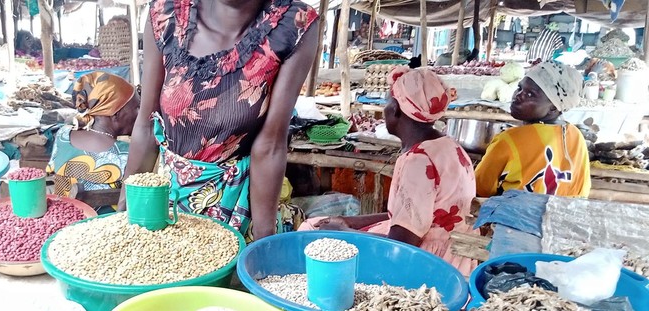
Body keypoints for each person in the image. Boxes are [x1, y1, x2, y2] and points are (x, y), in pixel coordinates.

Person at [118, 0, 319, 241]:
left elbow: (270, 144)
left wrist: (264, 240)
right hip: (164, 204)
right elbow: (147, 124)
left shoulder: (292, 25)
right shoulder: (166, 15)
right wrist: (125, 209)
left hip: (237, 210)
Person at [301, 68, 478, 276]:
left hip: (430, 262)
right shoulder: (448, 146)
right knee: (316, 224)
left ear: (396, 110)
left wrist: (345, 234)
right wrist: (350, 221)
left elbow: (400, 246)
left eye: (387, 103)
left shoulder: (419, 162)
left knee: (311, 235)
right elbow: (409, 216)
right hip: (451, 251)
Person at [475, 62, 590, 198]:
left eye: (530, 94)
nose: (518, 96)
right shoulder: (576, 135)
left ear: (554, 107)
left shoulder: (510, 139)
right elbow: (583, 189)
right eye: (519, 88)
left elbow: (480, 187)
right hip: (563, 215)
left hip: (514, 217)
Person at [46, 72, 139, 212]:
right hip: (103, 229)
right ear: (115, 114)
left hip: (62, 219)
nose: (139, 113)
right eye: (136, 108)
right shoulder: (127, 154)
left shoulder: (63, 135)